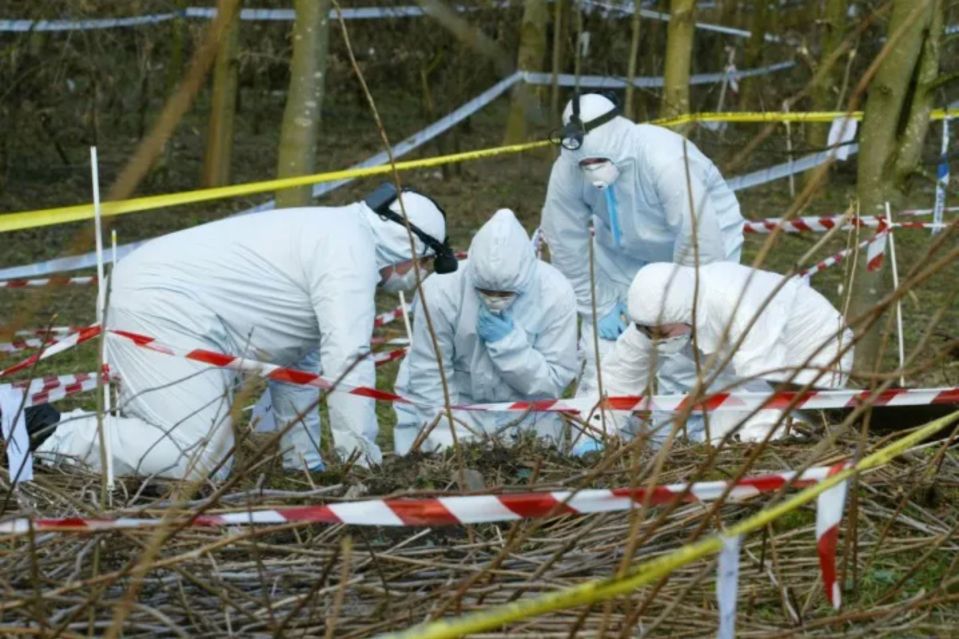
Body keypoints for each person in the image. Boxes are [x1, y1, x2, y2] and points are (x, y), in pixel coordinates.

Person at [35, 185, 455, 480]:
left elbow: (301, 369)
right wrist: (362, 467)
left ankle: (68, 436)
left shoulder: (338, 235)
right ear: (410, 248)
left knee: (185, 446)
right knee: (201, 462)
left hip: (169, 301)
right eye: (425, 266)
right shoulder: (350, 252)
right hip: (164, 304)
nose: (418, 278)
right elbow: (348, 364)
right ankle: (41, 431)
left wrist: (306, 468)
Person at [541, 93, 745, 395]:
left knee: (682, 353)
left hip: (702, 250)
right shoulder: (568, 170)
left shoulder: (663, 157)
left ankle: (683, 436)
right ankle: (598, 432)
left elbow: (698, 236)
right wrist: (599, 304)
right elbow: (564, 240)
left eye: (599, 161)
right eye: (585, 163)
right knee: (603, 352)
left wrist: (675, 304)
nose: (592, 169)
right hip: (621, 256)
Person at [393, 209, 578, 454]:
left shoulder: (555, 293)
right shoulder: (441, 290)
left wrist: (509, 346)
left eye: (505, 294)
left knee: (528, 474)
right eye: (485, 292)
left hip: (525, 411)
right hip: (457, 403)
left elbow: (552, 381)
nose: (494, 300)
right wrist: (449, 439)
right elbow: (430, 373)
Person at [602, 262, 854, 441]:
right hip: (747, 363)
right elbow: (621, 373)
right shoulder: (658, 314)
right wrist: (597, 432)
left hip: (815, 343)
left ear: (685, 313)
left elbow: (764, 386)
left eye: (663, 333)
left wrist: (761, 446)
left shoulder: (736, 306)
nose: (656, 340)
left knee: (800, 430)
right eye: (649, 332)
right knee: (718, 439)